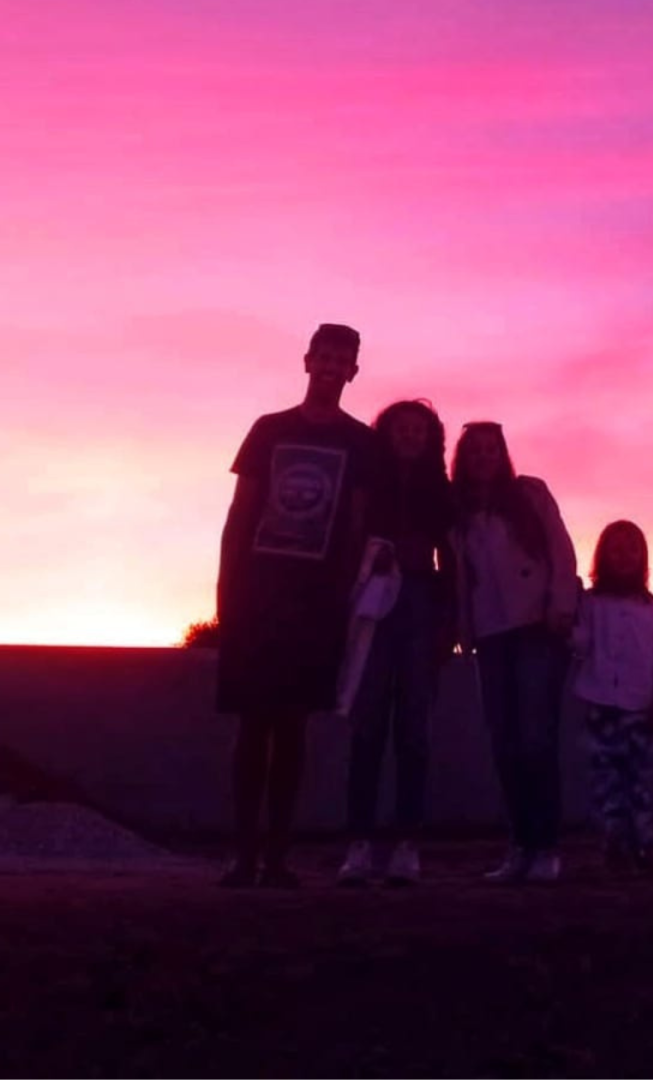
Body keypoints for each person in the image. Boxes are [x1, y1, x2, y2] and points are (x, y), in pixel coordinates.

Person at [215, 323, 384, 888]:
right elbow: (241, 513)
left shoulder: (361, 443)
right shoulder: (269, 430)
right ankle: (241, 855)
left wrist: (346, 595)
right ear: (308, 360)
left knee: (291, 729)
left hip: (317, 603)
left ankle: (276, 857)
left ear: (354, 371)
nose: (333, 367)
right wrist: (227, 589)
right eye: (326, 356)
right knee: (251, 726)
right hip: (258, 594)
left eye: (345, 360)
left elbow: (359, 524)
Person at [450, 421, 579, 884]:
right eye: (476, 450)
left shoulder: (530, 495)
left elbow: (562, 552)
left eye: (492, 449)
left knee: (535, 739)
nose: (484, 456)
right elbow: (460, 576)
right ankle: (519, 846)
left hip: (536, 629)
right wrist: (462, 627)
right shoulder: (459, 513)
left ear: (503, 455)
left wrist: (561, 604)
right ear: (463, 458)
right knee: (504, 744)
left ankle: (546, 847)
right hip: (490, 635)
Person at [337, 400, 457, 887]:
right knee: (367, 726)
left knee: (413, 729)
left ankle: (408, 843)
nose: (409, 436)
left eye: (419, 430)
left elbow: (451, 560)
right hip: (371, 601)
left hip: (420, 601)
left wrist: (449, 623)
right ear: (386, 434)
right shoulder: (367, 485)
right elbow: (348, 539)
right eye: (401, 428)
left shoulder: (441, 492)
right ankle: (359, 843)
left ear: (431, 440)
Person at [571, 520, 653, 873]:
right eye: (616, 548)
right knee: (606, 782)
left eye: (632, 548)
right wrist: (568, 615)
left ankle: (643, 845)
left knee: (638, 781)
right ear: (602, 556)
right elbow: (580, 644)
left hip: (640, 709)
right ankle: (614, 844)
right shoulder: (590, 603)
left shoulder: (651, 609)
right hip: (601, 706)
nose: (624, 555)